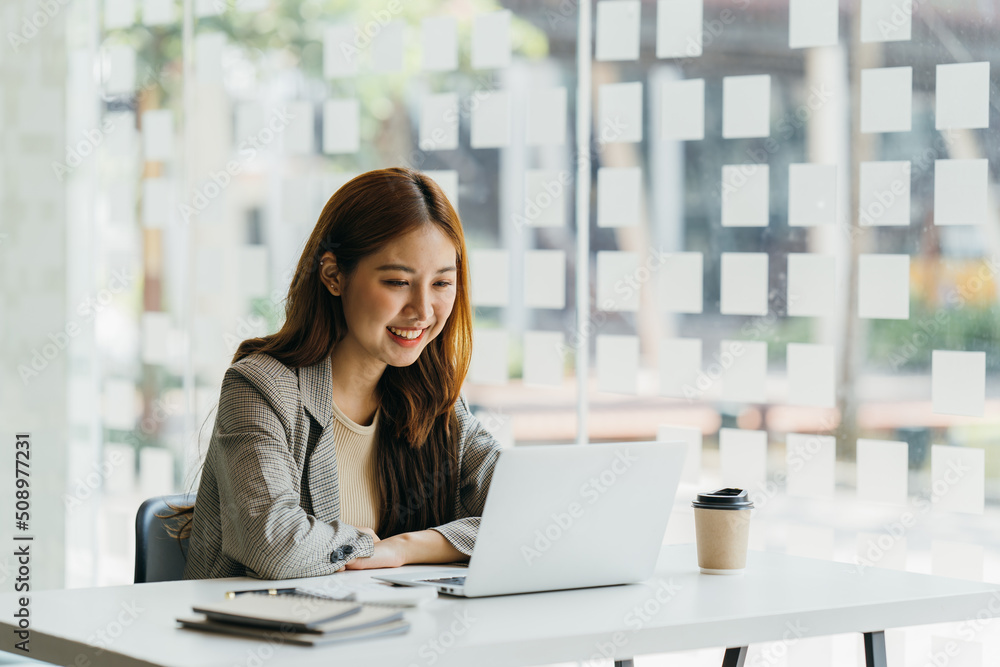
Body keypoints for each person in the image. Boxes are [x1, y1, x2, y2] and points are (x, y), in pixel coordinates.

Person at [171, 167, 503, 580]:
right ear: (333, 276)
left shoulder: (436, 397)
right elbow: (273, 543)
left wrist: (404, 548)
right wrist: (371, 547)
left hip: (387, 633)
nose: (422, 309)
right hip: (262, 636)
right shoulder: (260, 388)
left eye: (441, 283)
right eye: (398, 281)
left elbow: (531, 514)